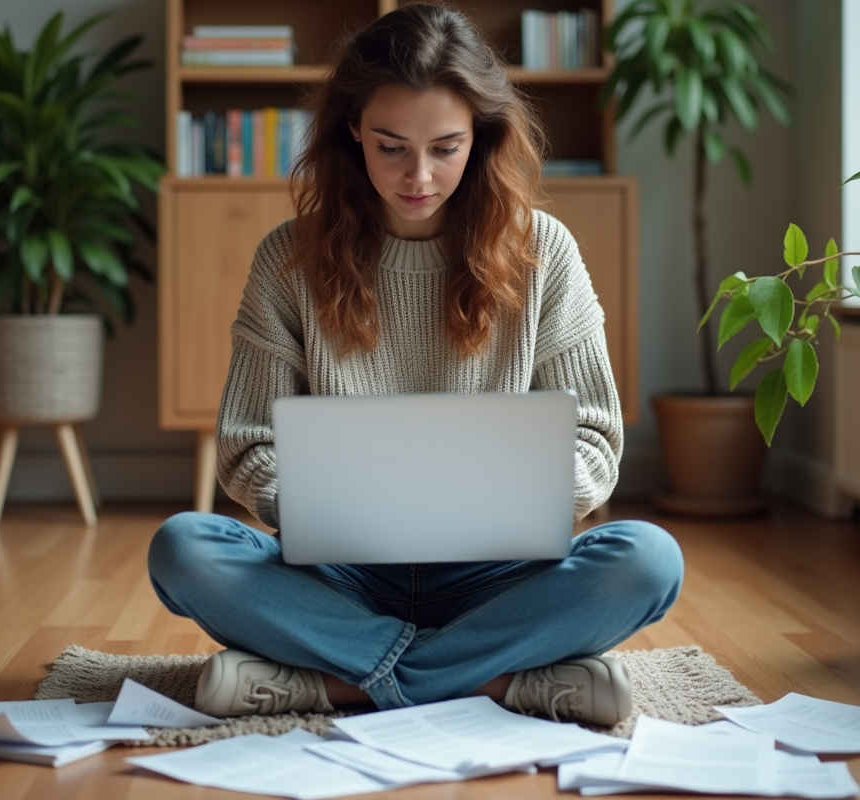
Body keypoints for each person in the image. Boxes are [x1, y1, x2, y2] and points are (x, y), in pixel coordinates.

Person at [148, 2, 683, 728]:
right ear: (353, 132)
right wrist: (321, 512)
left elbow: (594, 439)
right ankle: (499, 680)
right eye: (392, 146)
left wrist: (522, 504)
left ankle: (335, 684)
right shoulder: (288, 258)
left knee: (648, 560)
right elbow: (247, 444)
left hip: (498, 572)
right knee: (184, 548)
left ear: (483, 139)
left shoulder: (544, 251)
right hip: (338, 574)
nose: (419, 175)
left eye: (446, 147)